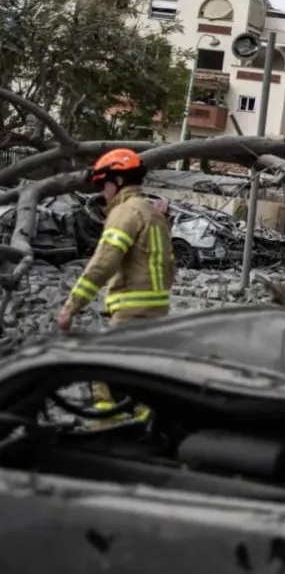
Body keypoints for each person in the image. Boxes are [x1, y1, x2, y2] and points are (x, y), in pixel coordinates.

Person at [56, 149, 176, 415]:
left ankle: (103, 424)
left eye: (103, 184)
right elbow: (170, 267)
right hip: (157, 311)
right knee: (141, 376)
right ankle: (145, 424)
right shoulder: (154, 214)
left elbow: (104, 262)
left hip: (131, 311)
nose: (102, 192)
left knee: (100, 368)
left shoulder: (125, 212)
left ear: (118, 181)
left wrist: (71, 307)